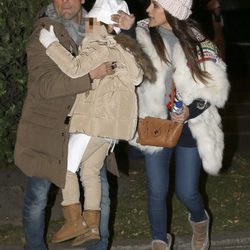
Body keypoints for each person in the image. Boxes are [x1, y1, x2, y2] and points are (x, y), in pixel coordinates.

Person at [38, 0, 155, 247]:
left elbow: (74, 68)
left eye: (91, 20)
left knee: (63, 168)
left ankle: (73, 220)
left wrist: (51, 45)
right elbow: (136, 77)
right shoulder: (123, 49)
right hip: (111, 130)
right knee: (89, 172)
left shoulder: (98, 44)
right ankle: (92, 226)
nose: (87, 25)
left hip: (94, 122)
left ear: (100, 22)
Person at [118, 0, 230, 249]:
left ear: (172, 10)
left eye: (155, 5)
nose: (148, 9)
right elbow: (126, 61)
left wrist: (191, 110)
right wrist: (126, 31)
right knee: (157, 189)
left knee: (187, 191)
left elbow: (216, 86)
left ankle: (200, 220)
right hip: (156, 123)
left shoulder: (198, 41)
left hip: (191, 126)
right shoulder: (142, 33)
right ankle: (159, 240)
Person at [13, 0, 119, 249]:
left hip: (90, 125)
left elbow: (128, 51)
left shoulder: (98, 24)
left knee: (99, 193)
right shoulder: (45, 33)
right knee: (38, 197)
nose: (65, 2)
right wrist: (89, 77)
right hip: (49, 129)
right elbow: (45, 86)